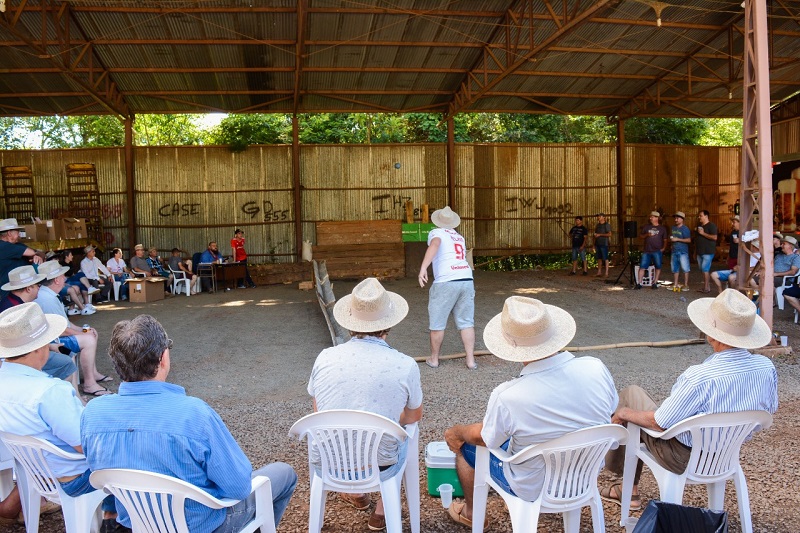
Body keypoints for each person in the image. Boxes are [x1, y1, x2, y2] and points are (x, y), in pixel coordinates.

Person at [81, 314, 297, 532]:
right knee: (284, 474)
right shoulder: (194, 414)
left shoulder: (93, 414)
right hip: (203, 526)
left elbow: (98, 476)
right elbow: (239, 487)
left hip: (138, 524)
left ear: (117, 363)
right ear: (163, 358)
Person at [443, 296, 618, 528]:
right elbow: (611, 411)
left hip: (531, 484)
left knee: (467, 449)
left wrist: (459, 432)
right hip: (583, 475)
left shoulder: (509, 395)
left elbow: (487, 438)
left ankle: (473, 513)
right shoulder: (595, 367)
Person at [601, 289, 777, 512]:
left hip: (682, 456)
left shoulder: (700, 376)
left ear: (712, 335)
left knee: (629, 404)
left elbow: (660, 423)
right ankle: (624, 485)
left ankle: (626, 487)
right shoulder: (765, 367)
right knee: (636, 397)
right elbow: (767, 412)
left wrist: (624, 413)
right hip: (727, 453)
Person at [308, 278, 423, 531]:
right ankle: (383, 509)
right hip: (379, 464)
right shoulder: (404, 364)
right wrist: (391, 419)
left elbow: (319, 410)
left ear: (350, 321)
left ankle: (356, 494)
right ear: (389, 323)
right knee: (402, 435)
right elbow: (414, 416)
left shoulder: (325, 357)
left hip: (328, 462)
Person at [0, 303, 119, 530]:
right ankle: (114, 517)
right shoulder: (50, 391)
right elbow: (85, 447)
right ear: (39, 348)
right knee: (129, 450)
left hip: (35, 470)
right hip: (72, 477)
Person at [34, 260, 112, 397]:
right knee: (88, 340)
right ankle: (89, 384)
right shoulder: (47, 299)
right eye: (62, 275)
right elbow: (59, 330)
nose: (65, 278)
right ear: (57, 280)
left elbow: (65, 323)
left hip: (57, 335)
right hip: (54, 341)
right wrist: (82, 334)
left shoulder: (49, 295)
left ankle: (92, 373)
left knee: (91, 333)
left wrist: (82, 330)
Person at [417, 206, 476, 370]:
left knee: (437, 322)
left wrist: (423, 268)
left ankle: (434, 359)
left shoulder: (437, 233)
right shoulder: (459, 237)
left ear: (438, 221)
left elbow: (435, 245)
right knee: (466, 321)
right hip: (466, 278)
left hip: (446, 280)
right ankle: (470, 360)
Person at [0, 265, 79, 385]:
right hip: (15, 360)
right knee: (66, 362)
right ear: (28, 288)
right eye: (38, 285)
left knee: (66, 356)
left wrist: (50, 346)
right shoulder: (17, 309)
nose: (39, 288)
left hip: (18, 354)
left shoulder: (12, 302)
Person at [0, 218, 43, 298]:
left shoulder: (17, 245)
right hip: (10, 294)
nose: (19, 235)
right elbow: (32, 252)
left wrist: (36, 255)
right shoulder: (3, 246)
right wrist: (34, 255)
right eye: (17, 232)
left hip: (25, 290)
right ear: (9, 233)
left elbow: (39, 253)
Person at [635, 211, 667, 290]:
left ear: (656, 218)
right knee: (642, 266)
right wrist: (647, 235)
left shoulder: (662, 228)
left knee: (658, 266)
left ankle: (655, 283)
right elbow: (641, 236)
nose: (650, 218)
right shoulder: (646, 227)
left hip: (657, 251)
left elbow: (665, 239)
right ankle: (639, 283)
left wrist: (663, 248)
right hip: (647, 250)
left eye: (652, 217)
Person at [59, 250, 96, 315]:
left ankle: (86, 304)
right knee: (80, 275)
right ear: (66, 257)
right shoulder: (62, 264)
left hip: (71, 279)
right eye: (71, 255)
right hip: (67, 280)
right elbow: (63, 277)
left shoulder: (70, 263)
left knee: (80, 282)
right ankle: (86, 302)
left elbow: (72, 274)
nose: (72, 256)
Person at [695, 210, 718, 293]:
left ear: (706, 216)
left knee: (705, 269)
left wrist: (703, 233)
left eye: (700, 215)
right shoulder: (699, 226)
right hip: (700, 252)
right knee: (703, 270)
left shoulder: (712, 226)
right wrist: (695, 252)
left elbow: (715, 237)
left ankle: (706, 288)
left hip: (708, 252)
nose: (699, 217)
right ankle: (706, 286)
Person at [669, 211, 692, 291]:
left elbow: (689, 240)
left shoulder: (685, 229)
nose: (676, 220)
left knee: (685, 268)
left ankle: (686, 285)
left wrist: (677, 239)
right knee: (675, 268)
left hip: (683, 251)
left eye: (677, 218)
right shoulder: (673, 228)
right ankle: (675, 284)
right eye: (675, 218)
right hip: (674, 250)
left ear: (682, 219)